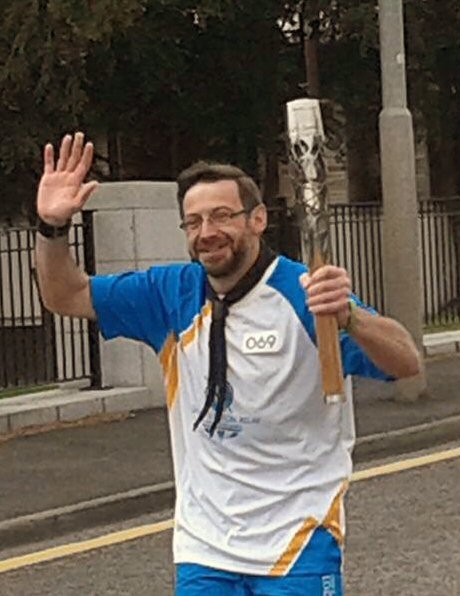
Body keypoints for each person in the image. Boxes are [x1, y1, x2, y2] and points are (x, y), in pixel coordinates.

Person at [35, 132, 421, 596]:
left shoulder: (305, 293)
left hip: (296, 541)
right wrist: (52, 228)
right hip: (205, 548)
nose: (207, 232)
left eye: (221, 216)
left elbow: (405, 362)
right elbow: (65, 294)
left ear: (257, 219)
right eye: (193, 221)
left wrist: (351, 317)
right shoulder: (169, 294)